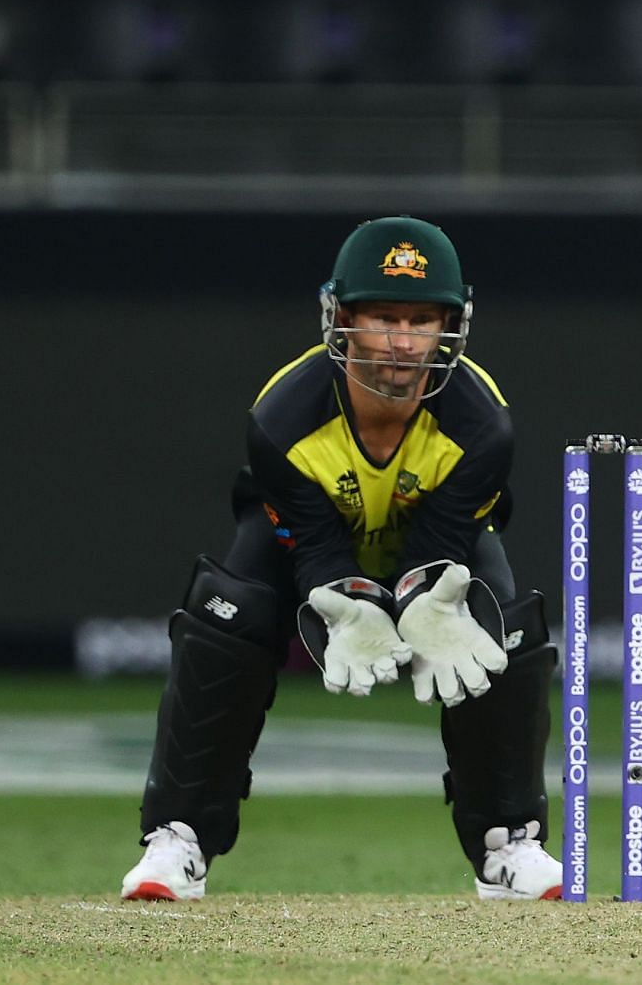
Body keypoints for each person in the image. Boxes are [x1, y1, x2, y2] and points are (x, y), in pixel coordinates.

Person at [120, 215, 562, 902]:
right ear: (341, 320)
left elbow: (441, 544)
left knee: (503, 625)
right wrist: (345, 598)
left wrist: (421, 602)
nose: (403, 342)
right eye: (383, 316)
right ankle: (179, 838)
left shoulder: (484, 426)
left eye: (422, 319)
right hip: (316, 547)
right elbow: (314, 543)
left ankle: (511, 845)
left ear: (452, 325)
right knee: (228, 612)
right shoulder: (281, 419)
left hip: (431, 546)